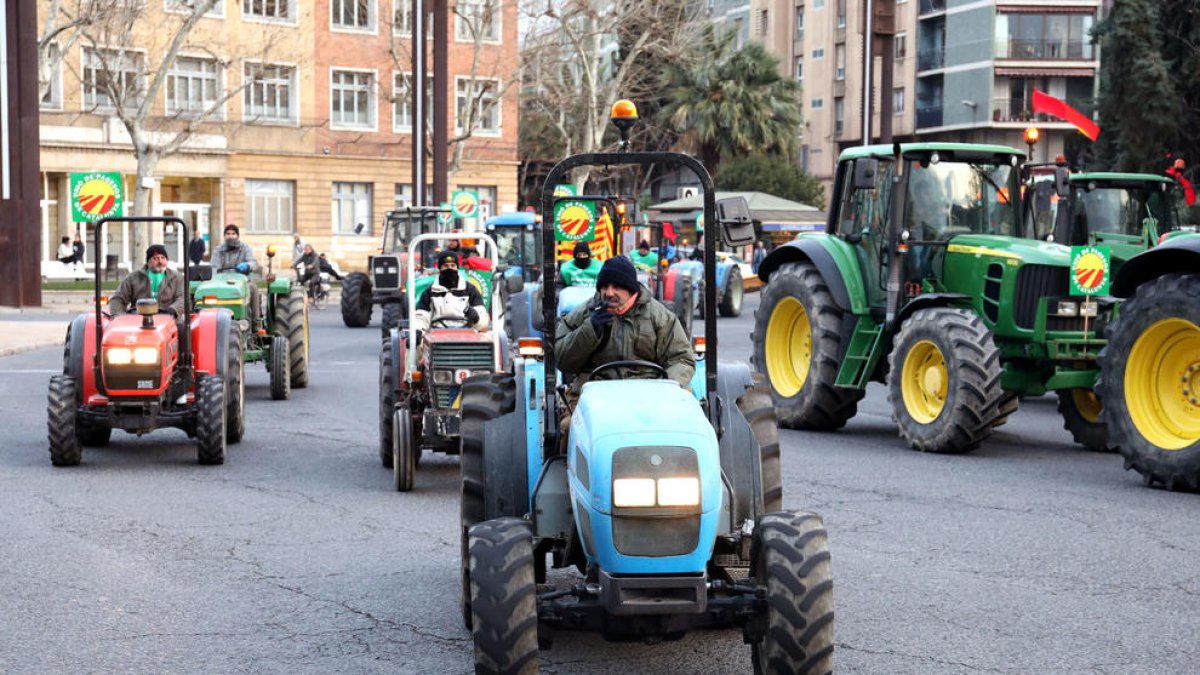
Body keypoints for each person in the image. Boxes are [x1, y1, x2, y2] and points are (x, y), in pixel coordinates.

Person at [555, 255, 694, 395]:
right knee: (569, 417)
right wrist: (590, 330)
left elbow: (682, 360)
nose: (609, 293)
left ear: (631, 289)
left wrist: (661, 390)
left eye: (616, 286)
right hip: (594, 397)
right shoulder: (584, 314)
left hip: (648, 397)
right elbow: (562, 361)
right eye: (604, 286)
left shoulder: (660, 317)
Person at [411, 252, 489, 341]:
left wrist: (476, 317)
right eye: (446, 266)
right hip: (436, 334)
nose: (450, 269)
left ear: (457, 268)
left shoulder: (470, 290)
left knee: (489, 341)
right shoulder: (430, 291)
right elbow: (422, 316)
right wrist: (418, 331)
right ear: (440, 268)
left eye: (453, 266)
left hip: (466, 334)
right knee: (414, 344)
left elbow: (482, 317)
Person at [109, 244, 186, 318]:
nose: (160, 261)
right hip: (139, 321)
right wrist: (120, 317)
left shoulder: (177, 277)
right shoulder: (133, 277)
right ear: (148, 262)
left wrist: (172, 310)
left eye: (163, 258)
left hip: (169, 322)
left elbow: (183, 298)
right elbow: (117, 299)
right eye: (155, 258)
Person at [211, 224, 261, 324]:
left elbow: (253, 263)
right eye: (228, 234)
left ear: (237, 235)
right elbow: (214, 268)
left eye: (233, 234)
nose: (231, 236)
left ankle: (256, 322)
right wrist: (213, 278)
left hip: (242, 280)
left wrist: (247, 266)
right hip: (222, 282)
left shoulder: (245, 248)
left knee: (253, 289)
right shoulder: (218, 251)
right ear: (224, 236)